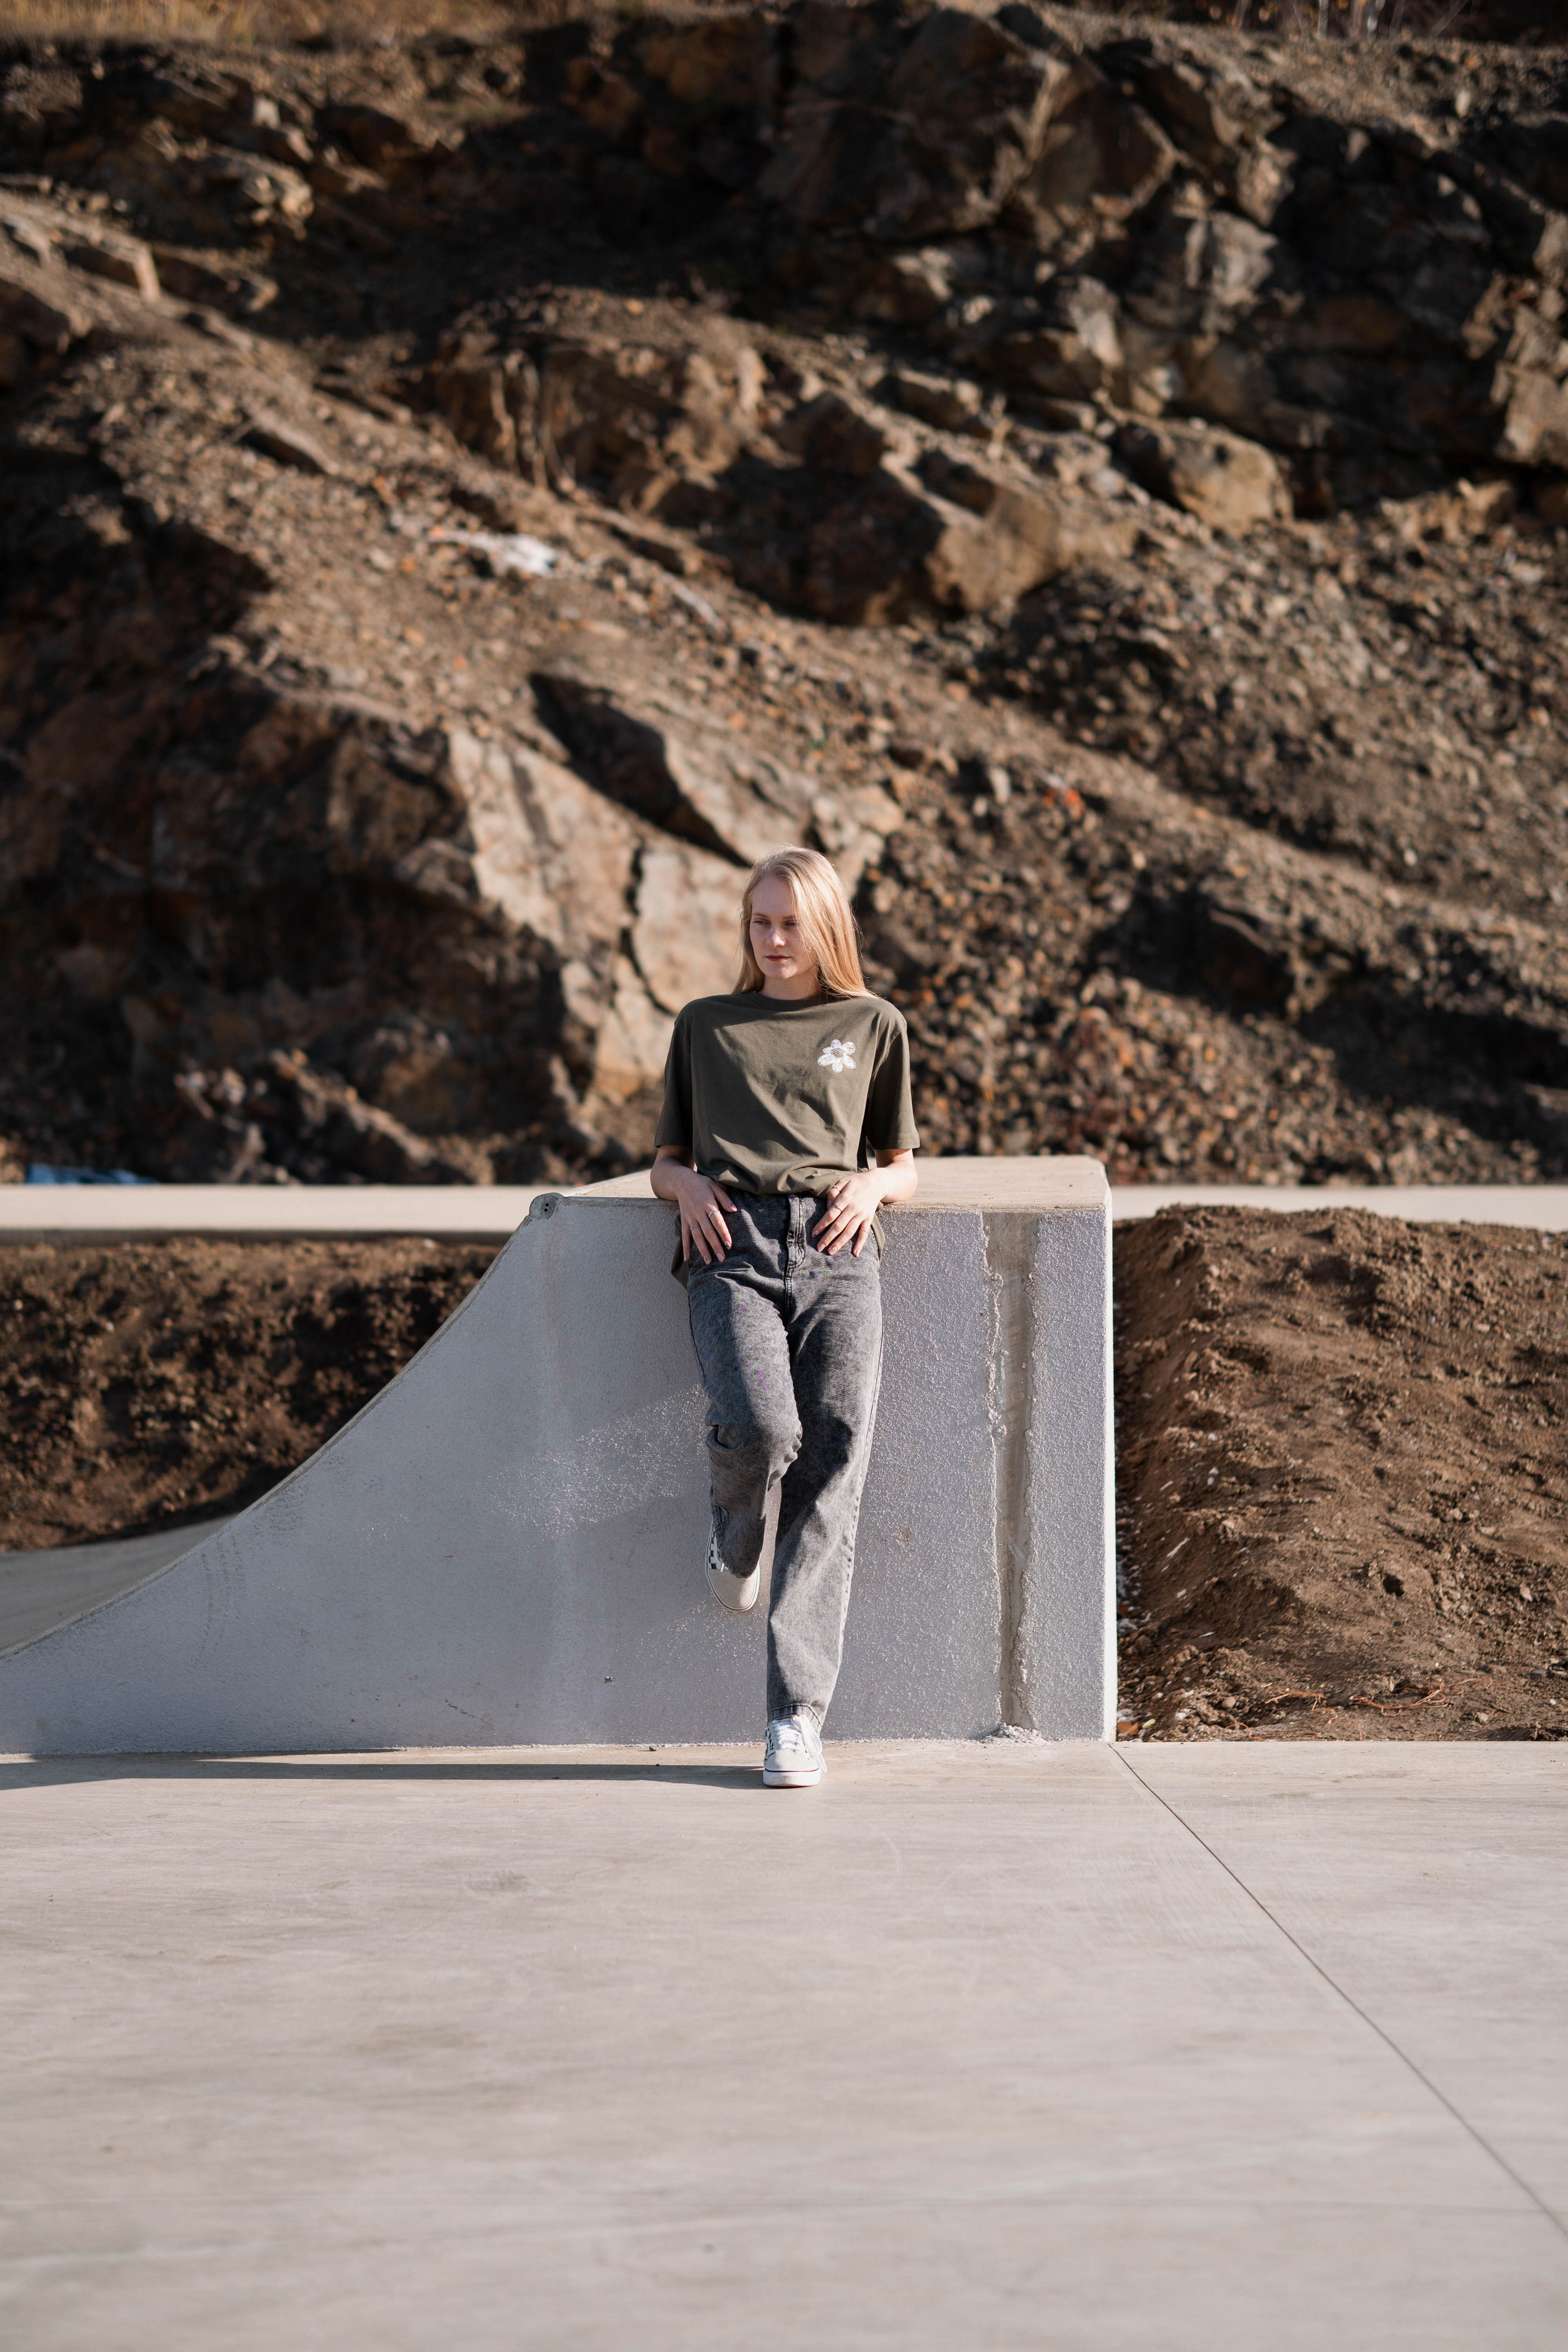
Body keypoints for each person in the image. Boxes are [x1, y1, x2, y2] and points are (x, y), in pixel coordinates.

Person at [650, 845, 919, 1790]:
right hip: (730, 1246)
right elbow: (666, 1159)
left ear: (825, 928)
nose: (772, 940)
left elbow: (902, 1162)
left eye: (789, 924)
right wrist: (684, 1186)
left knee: (830, 1471)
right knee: (763, 1428)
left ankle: (793, 1719)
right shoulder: (705, 1025)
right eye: (759, 923)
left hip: (839, 1253)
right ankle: (733, 1533)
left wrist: (874, 1187)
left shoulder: (873, 1024)